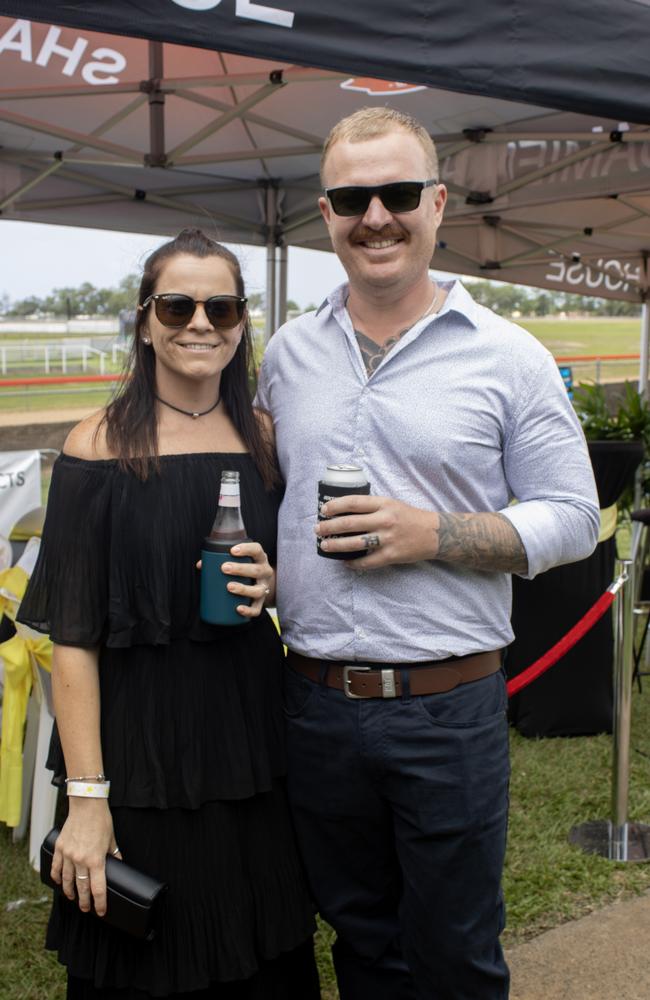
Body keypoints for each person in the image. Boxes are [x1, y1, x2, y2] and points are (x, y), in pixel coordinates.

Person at [255, 108, 600, 1000]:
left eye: (399, 193)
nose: (377, 216)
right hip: (317, 702)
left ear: (438, 202)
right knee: (361, 943)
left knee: (454, 958)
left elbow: (572, 518)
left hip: (446, 710)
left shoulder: (509, 356)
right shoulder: (287, 355)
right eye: (352, 198)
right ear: (324, 213)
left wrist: (431, 533)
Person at [17, 229, 320, 999]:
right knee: (143, 966)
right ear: (146, 318)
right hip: (137, 759)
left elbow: (308, 573)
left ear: (243, 321)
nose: (200, 324)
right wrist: (88, 801)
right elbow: (74, 639)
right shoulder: (96, 447)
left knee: (263, 963)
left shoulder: (266, 442)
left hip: (249, 748)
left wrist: (277, 582)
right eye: (178, 305)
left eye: (221, 307)